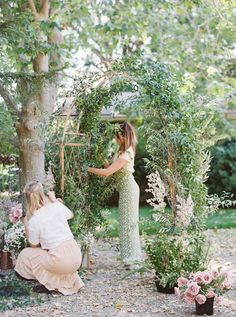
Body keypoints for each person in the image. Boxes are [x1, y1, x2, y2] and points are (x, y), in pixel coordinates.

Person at [15, 181, 84, 295]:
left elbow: (34, 244)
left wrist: (26, 225)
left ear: (28, 199)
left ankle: (50, 284)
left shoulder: (34, 220)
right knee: (50, 255)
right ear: (43, 194)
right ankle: (60, 281)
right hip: (76, 256)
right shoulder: (56, 205)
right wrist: (55, 200)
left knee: (26, 254)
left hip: (61, 261)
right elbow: (70, 214)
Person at [88, 121, 142, 266]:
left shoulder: (127, 153)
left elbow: (107, 173)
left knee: (129, 225)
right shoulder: (121, 151)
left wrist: (87, 168)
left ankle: (132, 259)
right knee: (125, 224)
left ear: (123, 136)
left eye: (117, 136)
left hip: (129, 190)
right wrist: (100, 158)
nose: (115, 139)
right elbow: (110, 168)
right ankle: (129, 258)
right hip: (125, 190)